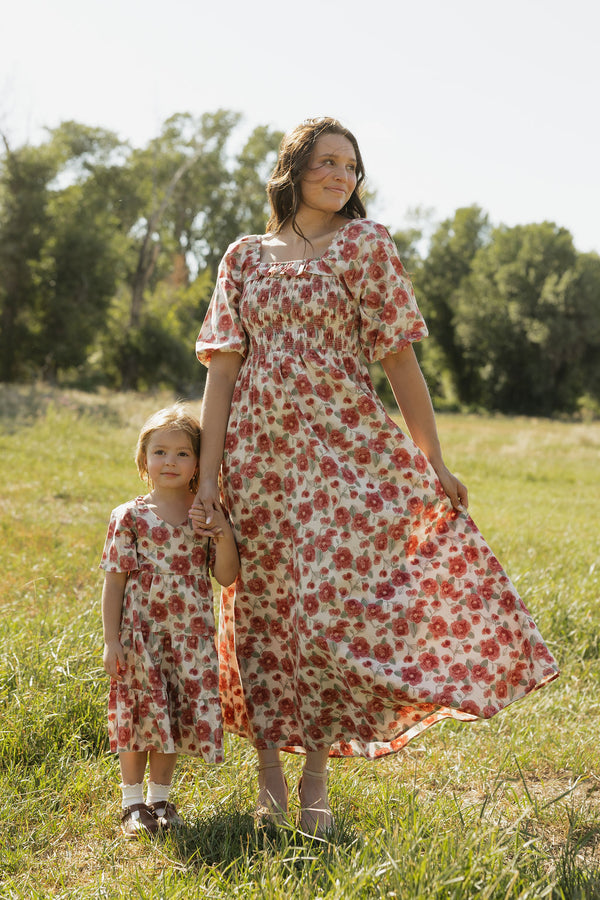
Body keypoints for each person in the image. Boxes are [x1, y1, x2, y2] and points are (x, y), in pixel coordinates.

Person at [191, 117, 559, 837]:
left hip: (341, 453)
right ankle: (268, 777)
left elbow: (398, 358)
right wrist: (209, 479)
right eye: (327, 161)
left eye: (351, 166)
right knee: (258, 608)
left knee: (323, 612)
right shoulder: (243, 257)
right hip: (256, 457)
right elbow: (223, 371)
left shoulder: (365, 245)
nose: (341, 175)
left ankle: (315, 778)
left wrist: (433, 459)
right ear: (293, 169)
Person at [100, 403, 239, 838]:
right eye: (160, 452)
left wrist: (222, 531)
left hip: (189, 639)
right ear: (144, 459)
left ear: (199, 462)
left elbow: (226, 576)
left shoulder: (206, 515)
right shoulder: (129, 516)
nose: (170, 461)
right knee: (139, 714)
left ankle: (159, 800)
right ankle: (132, 804)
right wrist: (111, 640)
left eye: (182, 453)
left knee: (172, 718)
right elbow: (114, 582)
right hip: (140, 638)